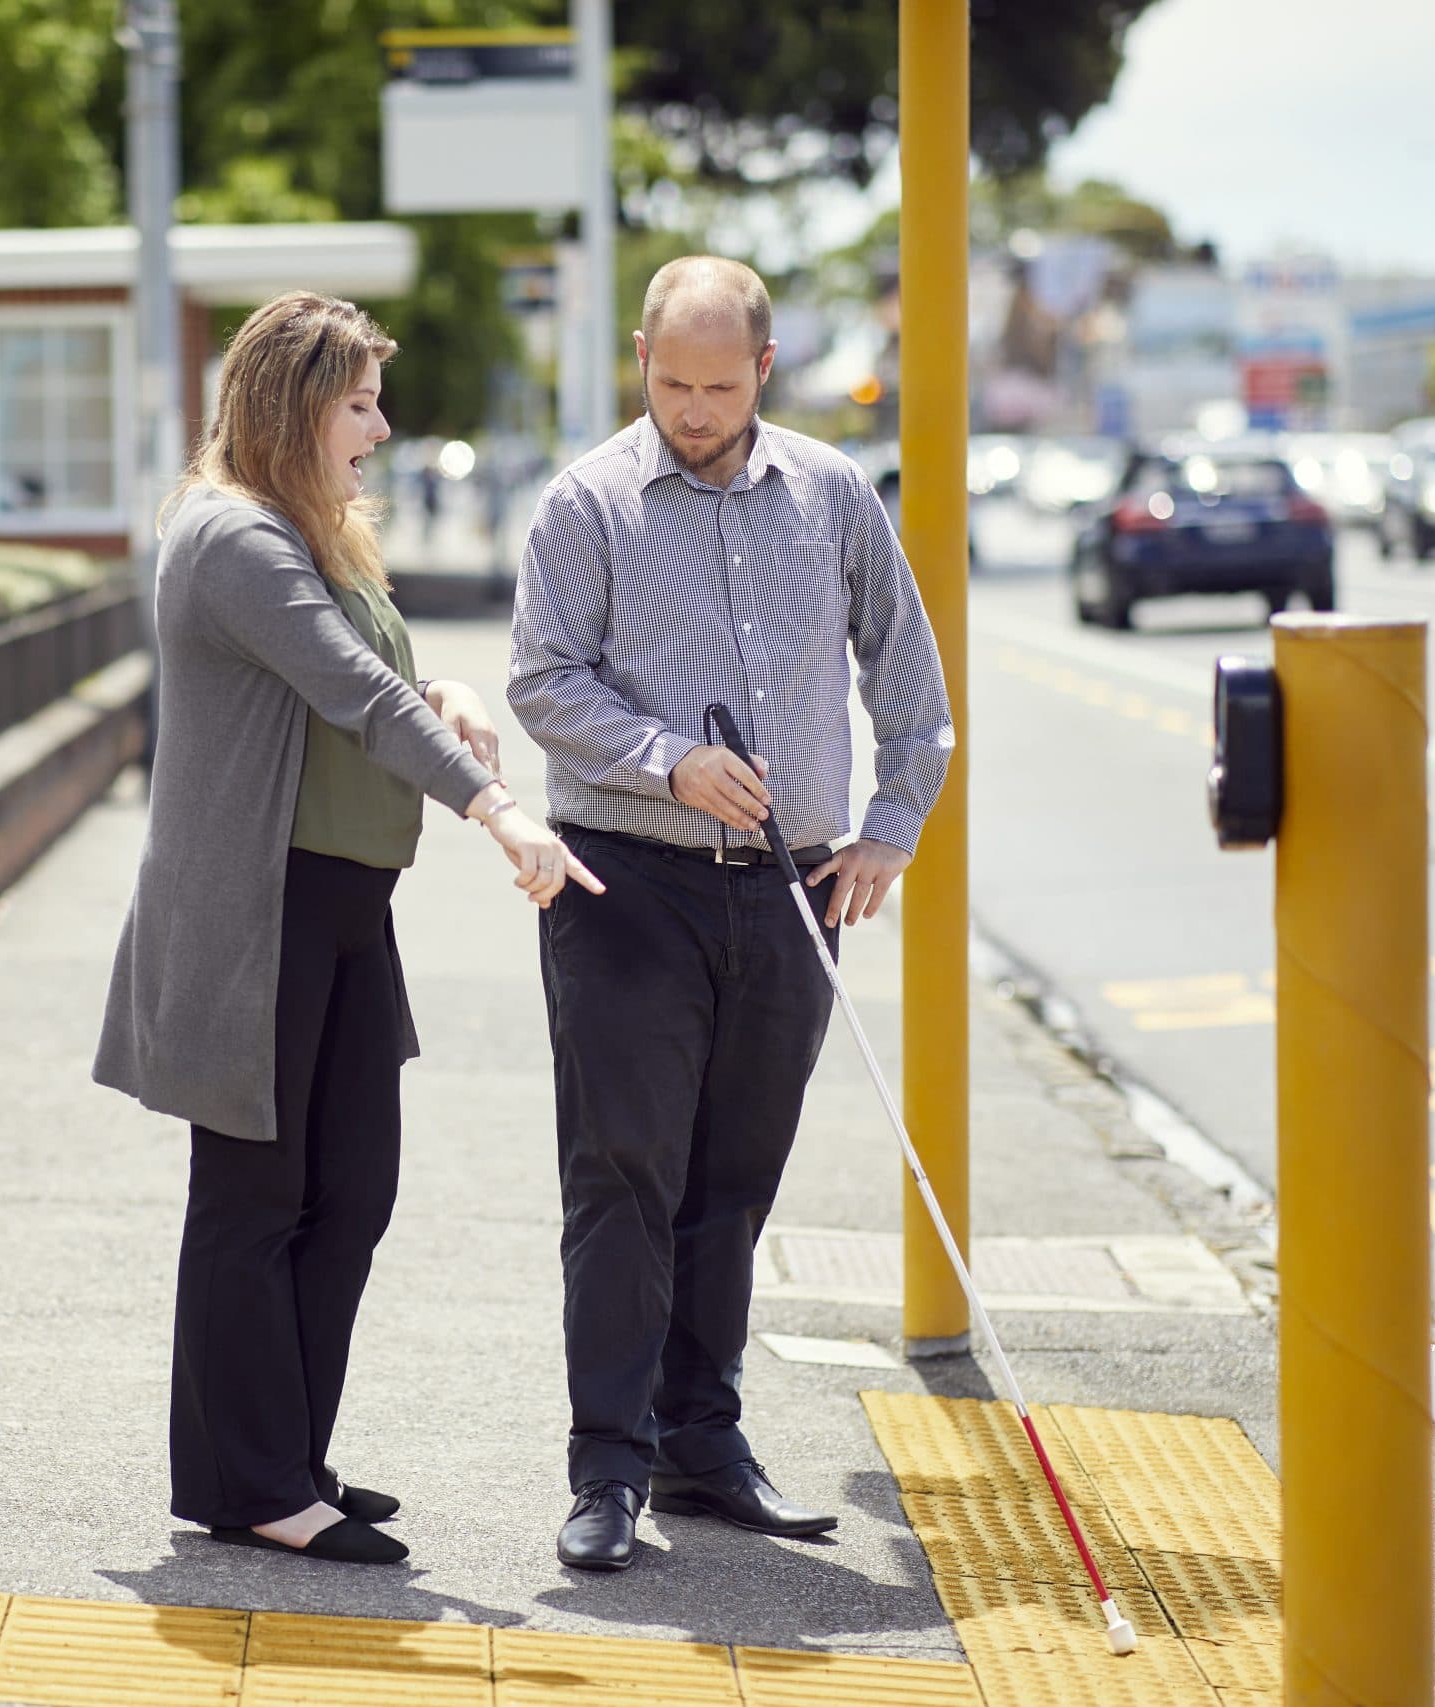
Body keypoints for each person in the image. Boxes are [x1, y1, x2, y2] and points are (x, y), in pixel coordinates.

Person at [95, 290, 602, 1567]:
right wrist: (500, 808)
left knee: (349, 1189)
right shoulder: (233, 539)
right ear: (293, 406)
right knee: (256, 1197)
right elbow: (348, 690)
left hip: (337, 906)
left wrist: (453, 689)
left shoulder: (306, 531)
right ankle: (256, 1483)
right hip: (260, 909)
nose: (378, 427)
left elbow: (375, 677)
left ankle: (279, 1462)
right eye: (359, 403)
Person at [507, 256, 954, 1572]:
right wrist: (665, 755)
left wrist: (890, 825)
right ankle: (607, 1462)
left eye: (718, 383)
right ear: (640, 357)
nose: (692, 408)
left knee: (733, 1183)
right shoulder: (585, 502)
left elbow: (911, 680)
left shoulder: (831, 494)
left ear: (765, 369)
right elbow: (542, 679)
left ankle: (705, 1438)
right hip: (625, 881)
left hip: (791, 891)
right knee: (622, 1176)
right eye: (669, 380)